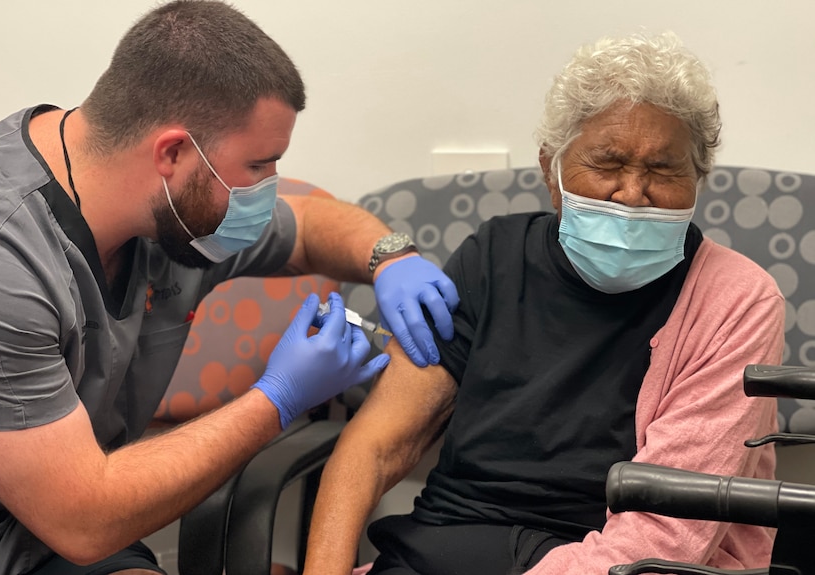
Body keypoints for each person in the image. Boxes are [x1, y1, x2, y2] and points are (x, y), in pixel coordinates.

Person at [0, 2, 460, 574]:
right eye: (258, 165)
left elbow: (313, 227)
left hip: (60, 529)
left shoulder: (171, 210)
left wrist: (391, 258)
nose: (269, 189)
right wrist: (279, 398)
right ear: (171, 152)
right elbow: (83, 521)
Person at [302, 31, 785, 575]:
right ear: (551, 172)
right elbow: (375, 446)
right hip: (445, 544)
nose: (631, 192)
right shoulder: (492, 257)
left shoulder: (737, 300)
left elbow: (664, 536)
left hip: (610, 560)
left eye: (664, 169)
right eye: (606, 164)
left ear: (699, 177)